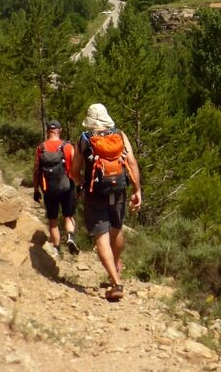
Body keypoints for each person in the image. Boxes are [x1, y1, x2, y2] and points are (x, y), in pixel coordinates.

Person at [77, 103, 142, 302]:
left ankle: (116, 283)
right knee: (117, 228)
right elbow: (131, 162)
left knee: (101, 236)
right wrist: (137, 189)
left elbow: (73, 170)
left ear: (90, 121)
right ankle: (116, 263)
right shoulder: (120, 135)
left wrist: (80, 184)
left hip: (95, 193)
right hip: (118, 191)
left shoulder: (84, 139)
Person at [33, 119, 80, 260]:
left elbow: (36, 170)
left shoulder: (41, 148)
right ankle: (70, 237)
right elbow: (75, 168)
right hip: (67, 186)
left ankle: (57, 248)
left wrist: (36, 189)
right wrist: (79, 183)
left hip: (49, 188)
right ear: (59, 131)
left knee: (53, 220)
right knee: (68, 216)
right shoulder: (67, 146)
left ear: (48, 131)